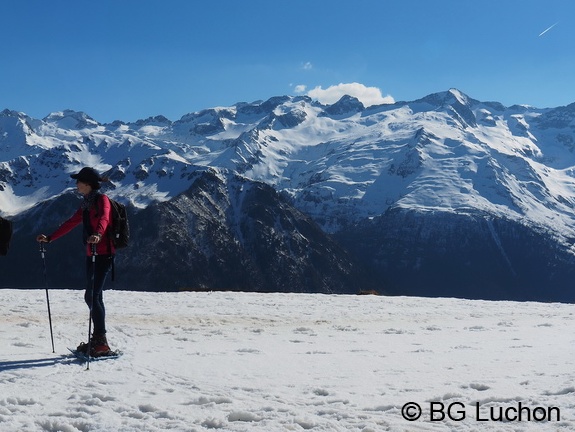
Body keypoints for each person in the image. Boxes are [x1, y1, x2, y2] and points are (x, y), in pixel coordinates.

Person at [36, 167, 115, 357]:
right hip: (92, 253)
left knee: (92, 296)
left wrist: (97, 234)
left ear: (87, 184)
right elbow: (71, 222)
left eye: (79, 181)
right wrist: (50, 238)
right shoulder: (87, 204)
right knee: (95, 296)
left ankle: (101, 341)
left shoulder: (101, 200)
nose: (76, 184)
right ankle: (99, 340)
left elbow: (105, 218)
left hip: (103, 253)